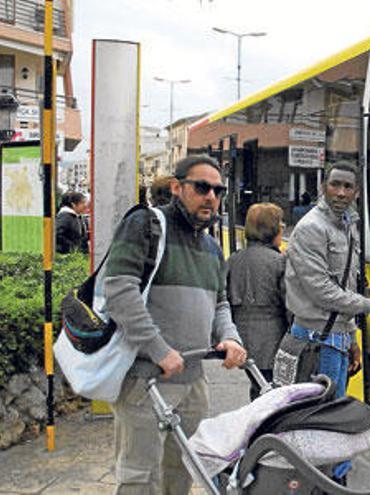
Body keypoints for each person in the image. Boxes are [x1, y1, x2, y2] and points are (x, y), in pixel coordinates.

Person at [103, 155, 247, 494]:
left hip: (193, 380)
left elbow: (220, 303)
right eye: (201, 187)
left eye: (218, 190)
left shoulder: (212, 246)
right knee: (139, 475)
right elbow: (119, 291)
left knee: (182, 468)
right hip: (145, 379)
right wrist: (159, 350)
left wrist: (230, 337)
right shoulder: (146, 225)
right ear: (176, 188)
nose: (211, 196)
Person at [285, 161, 370, 482]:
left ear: (356, 192)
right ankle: (325, 483)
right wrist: (368, 306)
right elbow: (321, 291)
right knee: (322, 425)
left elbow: (347, 283)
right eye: (335, 185)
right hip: (316, 341)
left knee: (334, 421)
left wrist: (352, 334)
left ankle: (333, 480)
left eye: (348, 187)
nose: (341, 192)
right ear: (323, 186)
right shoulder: (311, 227)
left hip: (336, 340)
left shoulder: (347, 226)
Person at [228, 203, 288, 400]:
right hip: (273, 339)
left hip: (242, 337)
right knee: (273, 394)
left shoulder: (234, 260)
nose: (283, 227)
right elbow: (290, 305)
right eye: (280, 224)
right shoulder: (279, 262)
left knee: (257, 388)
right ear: (271, 229)